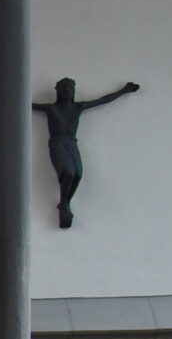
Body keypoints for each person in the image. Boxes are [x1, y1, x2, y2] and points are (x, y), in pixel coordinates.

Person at [32, 76, 139, 228]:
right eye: (64, 88)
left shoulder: (78, 107)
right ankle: (63, 203)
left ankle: (66, 203)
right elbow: (28, 105)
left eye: (70, 88)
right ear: (58, 91)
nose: (67, 91)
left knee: (78, 174)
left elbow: (103, 100)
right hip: (58, 143)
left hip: (71, 143)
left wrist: (124, 91)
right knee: (68, 172)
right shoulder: (51, 108)